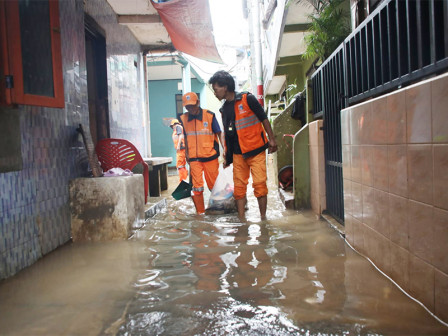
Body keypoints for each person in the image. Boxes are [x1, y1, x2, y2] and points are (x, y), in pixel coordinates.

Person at [209, 70, 278, 220]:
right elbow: (228, 135)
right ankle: (242, 220)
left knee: (260, 185)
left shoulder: (248, 99)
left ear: (225, 86)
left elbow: (264, 118)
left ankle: (263, 219)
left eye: (216, 89)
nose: (215, 92)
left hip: (256, 150)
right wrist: (227, 157)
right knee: (239, 189)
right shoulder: (224, 109)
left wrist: (271, 139)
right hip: (238, 154)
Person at [179, 92, 225, 214]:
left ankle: (220, 209)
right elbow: (185, 137)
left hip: (210, 157)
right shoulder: (183, 119)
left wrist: (225, 150)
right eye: (187, 107)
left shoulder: (209, 116)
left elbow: (219, 133)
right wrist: (187, 155)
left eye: (192, 106)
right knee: (197, 188)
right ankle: (200, 214)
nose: (190, 109)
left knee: (214, 187)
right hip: (194, 159)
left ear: (198, 103)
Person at [170, 118, 188, 182]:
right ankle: (183, 180)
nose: (172, 127)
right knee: (182, 165)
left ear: (174, 124)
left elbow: (180, 135)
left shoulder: (178, 127)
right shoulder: (178, 128)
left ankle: (182, 181)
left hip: (181, 149)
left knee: (180, 165)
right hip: (180, 149)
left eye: (172, 126)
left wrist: (178, 146)